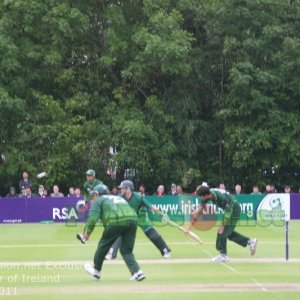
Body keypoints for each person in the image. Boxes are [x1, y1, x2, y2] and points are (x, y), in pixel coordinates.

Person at [78, 184, 145, 281]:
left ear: (97, 193)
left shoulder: (98, 200)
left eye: (94, 195)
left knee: (103, 245)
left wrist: (87, 233)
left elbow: (92, 218)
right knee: (126, 250)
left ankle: (96, 271)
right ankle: (137, 272)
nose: (93, 197)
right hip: (133, 220)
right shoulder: (116, 197)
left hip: (116, 221)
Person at [187, 185, 257, 262]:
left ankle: (223, 255)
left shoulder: (221, 197)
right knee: (228, 233)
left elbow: (228, 211)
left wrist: (222, 226)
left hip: (234, 209)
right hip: (228, 210)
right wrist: (189, 227)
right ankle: (250, 241)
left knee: (223, 232)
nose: (200, 198)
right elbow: (199, 212)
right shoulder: (206, 196)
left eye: (201, 197)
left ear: (206, 195)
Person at [106, 180, 171, 260]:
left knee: (151, 233)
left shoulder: (138, 197)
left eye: (123, 188)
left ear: (128, 189)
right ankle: (111, 254)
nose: (121, 189)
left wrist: (162, 215)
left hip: (141, 216)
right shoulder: (120, 197)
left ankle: (165, 251)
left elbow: (151, 207)